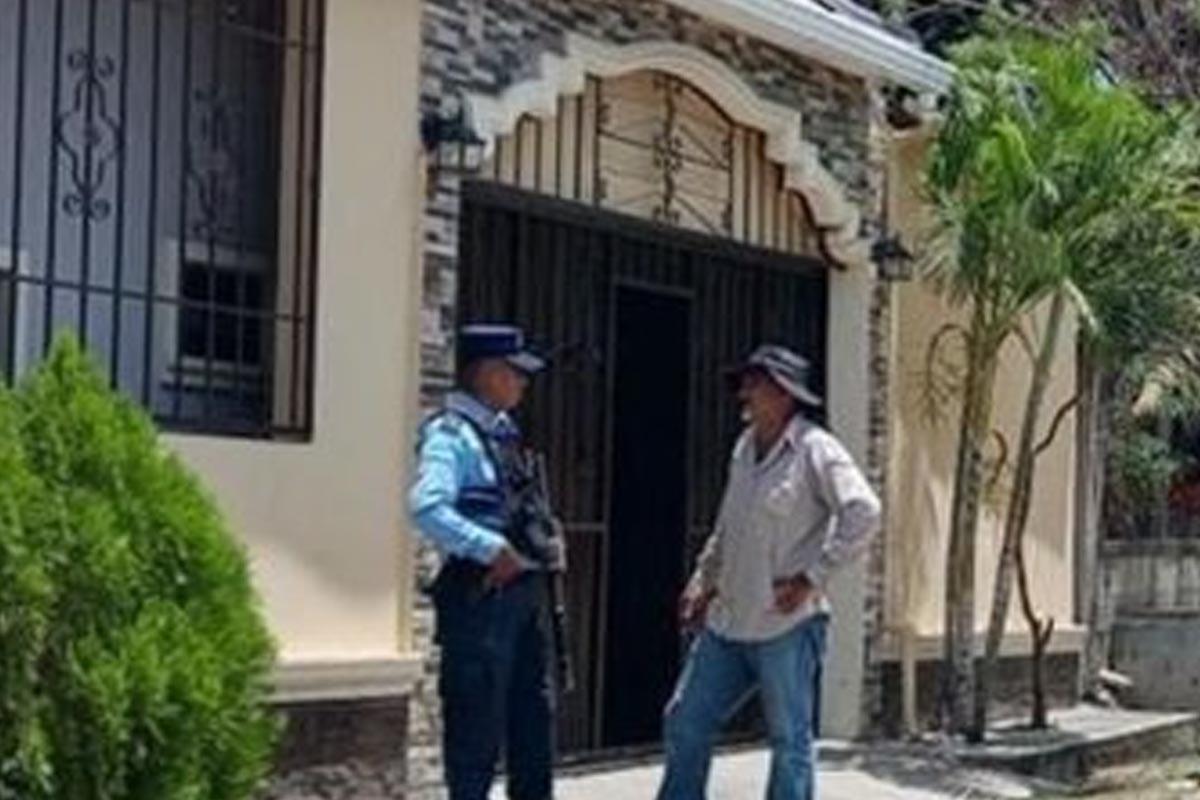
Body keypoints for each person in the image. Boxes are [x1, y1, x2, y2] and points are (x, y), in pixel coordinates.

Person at [657, 344, 882, 800]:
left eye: (754, 383)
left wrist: (812, 577)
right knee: (685, 718)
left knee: (789, 740)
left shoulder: (816, 450)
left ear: (783, 395)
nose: (744, 392)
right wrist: (703, 580)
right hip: (729, 621)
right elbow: (727, 528)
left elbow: (864, 510)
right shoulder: (743, 450)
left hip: (788, 625)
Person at [409, 324, 559, 800]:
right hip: (480, 600)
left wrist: (548, 541)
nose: (523, 384)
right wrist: (489, 548)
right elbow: (426, 507)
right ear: (489, 373)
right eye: (515, 373)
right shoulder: (450, 435)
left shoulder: (504, 436)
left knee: (532, 725)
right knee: (475, 735)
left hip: (521, 600)